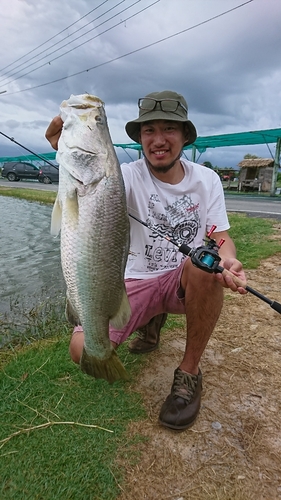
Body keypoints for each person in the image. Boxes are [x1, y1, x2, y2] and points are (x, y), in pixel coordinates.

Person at [45, 90, 247, 431]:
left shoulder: (207, 179)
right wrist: (65, 147)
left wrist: (228, 260)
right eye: (149, 130)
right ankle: (151, 322)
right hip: (133, 281)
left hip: (183, 279)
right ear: (139, 137)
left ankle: (189, 372)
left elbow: (221, 234)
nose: (158, 139)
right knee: (83, 350)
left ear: (185, 136)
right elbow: (90, 181)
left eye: (169, 128)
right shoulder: (121, 176)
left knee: (205, 266)